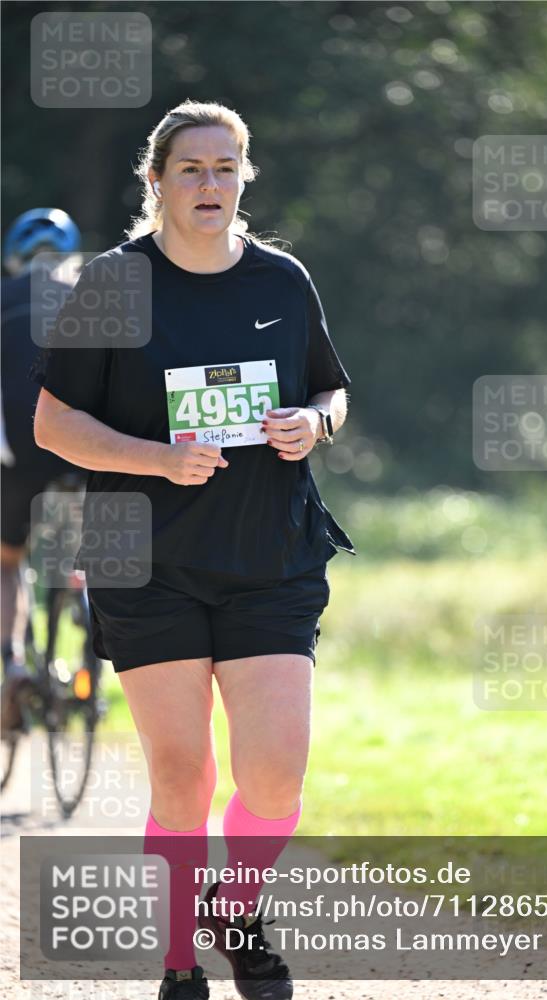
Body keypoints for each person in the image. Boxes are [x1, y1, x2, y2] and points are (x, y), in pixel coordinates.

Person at [31, 99, 356, 1000]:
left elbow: (332, 392)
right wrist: (157, 460)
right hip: (144, 556)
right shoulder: (111, 283)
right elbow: (54, 425)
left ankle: (233, 908)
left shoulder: (283, 282)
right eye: (190, 169)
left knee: (275, 771)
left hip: (270, 553)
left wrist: (310, 425)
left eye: (225, 168)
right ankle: (180, 959)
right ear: (157, 181)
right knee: (182, 776)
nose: (208, 184)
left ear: (243, 178)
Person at [1, 208, 83, 733]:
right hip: (85, 448)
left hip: (18, 456)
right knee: (95, 539)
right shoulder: (95, 299)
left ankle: (10, 662)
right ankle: (89, 601)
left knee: (6, 560)